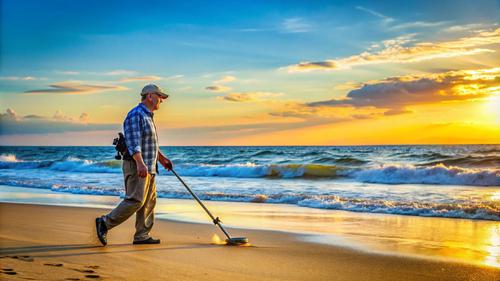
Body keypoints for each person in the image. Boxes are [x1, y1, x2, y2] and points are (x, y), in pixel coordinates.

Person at [95, 84, 173, 246]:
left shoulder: (148, 116)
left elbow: (149, 143)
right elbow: (133, 144)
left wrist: (162, 158)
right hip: (137, 166)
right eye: (160, 97)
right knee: (135, 200)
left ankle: (142, 235)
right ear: (150, 96)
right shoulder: (135, 115)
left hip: (149, 166)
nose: (161, 101)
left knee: (148, 202)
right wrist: (140, 164)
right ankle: (105, 223)